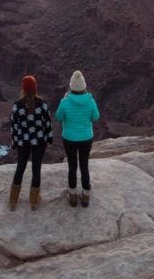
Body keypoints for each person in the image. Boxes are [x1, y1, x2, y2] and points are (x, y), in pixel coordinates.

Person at [54, 70, 100, 208]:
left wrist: (64, 101)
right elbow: (96, 117)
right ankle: (85, 196)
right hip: (86, 138)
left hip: (69, 139)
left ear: (71, 87)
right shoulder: (90, 101)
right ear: (83, 87)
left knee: (72, 166)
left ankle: (73, 196)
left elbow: (59, 117)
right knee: (84, 165)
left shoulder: (65, 101)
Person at [9, 74, 52, 211]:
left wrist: (15, 142)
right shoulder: (42, 104)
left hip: (23, 142)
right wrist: (49, 138)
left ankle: (13, 201)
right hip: (39, 141)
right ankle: (33, 202)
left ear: (23, 89)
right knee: (36, 169)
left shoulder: (17, 106)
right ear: (35, 88)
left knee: (20, 168)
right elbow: (48, 123)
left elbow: (14, 126)